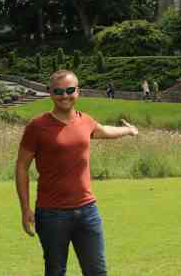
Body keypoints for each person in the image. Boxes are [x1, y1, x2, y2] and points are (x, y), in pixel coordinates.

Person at [15, 70, 138, 276]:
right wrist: (25, 208)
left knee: (97, 272)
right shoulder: (37, 127)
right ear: (50, 93)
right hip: (52, 214)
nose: (65, 95)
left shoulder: (86, 121)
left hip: (88, 212)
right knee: (55, 271)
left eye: (70, 90)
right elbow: (21, 167)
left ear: (77, 91)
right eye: (59, 91)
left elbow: (106, 131)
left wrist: (129, 130)